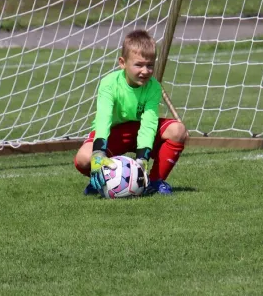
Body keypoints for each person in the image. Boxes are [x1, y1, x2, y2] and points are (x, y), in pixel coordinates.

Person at [74, 29, 188, 195]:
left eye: (150, 65)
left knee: (178, 130)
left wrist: (142, 158)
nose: (145, 71)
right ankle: (105, 181)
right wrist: (98, 154)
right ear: (122, 63)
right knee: (84, 158)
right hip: (115, 133)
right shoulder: (109, 84)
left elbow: (149, 124)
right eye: (139, 65)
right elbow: (103, 119)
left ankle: (154, 182)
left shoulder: (153, 87)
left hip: (140, 131)